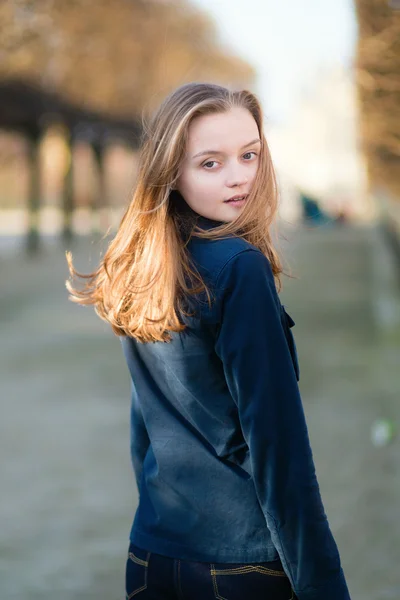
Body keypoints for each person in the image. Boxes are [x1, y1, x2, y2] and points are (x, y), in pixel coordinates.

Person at [65, 82, 351, 600]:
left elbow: (143, 429)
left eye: (249, 155)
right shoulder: (240, 268)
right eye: (211, 163)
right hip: (240, 566)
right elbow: (277, 447)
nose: (240, 176)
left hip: (153, 556)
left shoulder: (145, 265)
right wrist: (323, 586)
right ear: (171, 171)